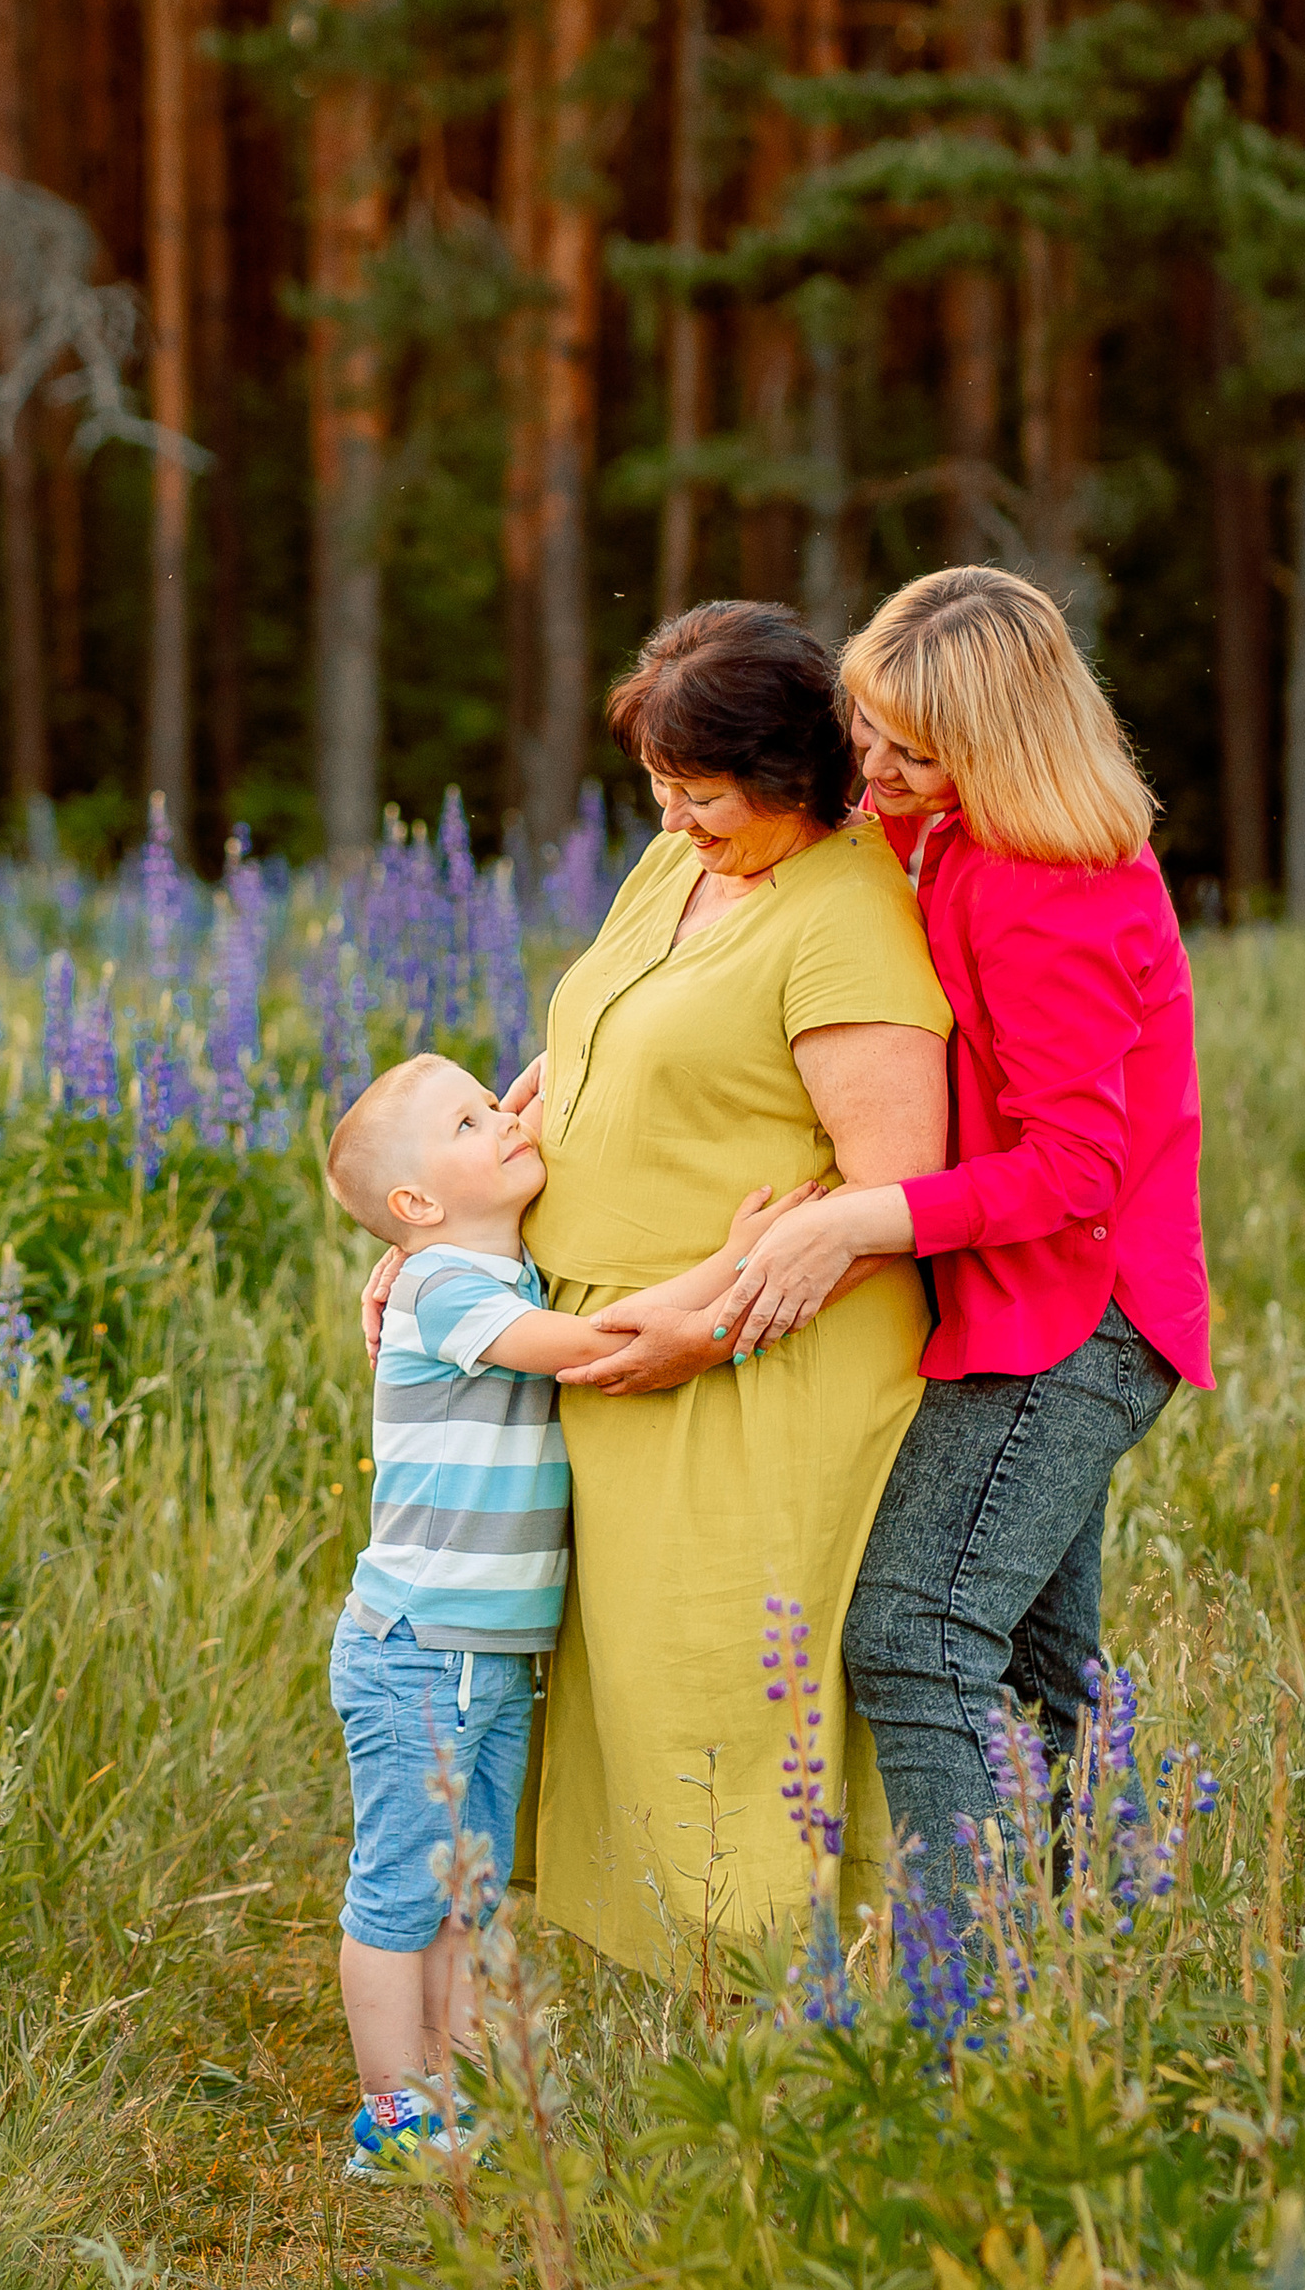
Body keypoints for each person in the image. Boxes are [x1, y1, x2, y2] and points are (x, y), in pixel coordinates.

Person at [370, 601, 951, 1980]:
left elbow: (894, 1194)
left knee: (730, 1693)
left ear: (798, 774)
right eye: (658, 790)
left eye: (703, 793)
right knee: (630, 1682)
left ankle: (793, 2005)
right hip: (617, 1349)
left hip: (760, 1369)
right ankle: (681, 1991)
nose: (675, 817)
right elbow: (594, 1047)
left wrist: (704, 1320)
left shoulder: (848, 918)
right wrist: (437, 1245)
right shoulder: (680, 864)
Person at [703, 567, 1211, 1910]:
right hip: (1012, 1292)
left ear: (997, 748)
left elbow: (1076, 1172)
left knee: (917, 1639)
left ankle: (964, 2041)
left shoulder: (1053, 888)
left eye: (909, 750)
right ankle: (1093, 1985)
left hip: (1079, 1310)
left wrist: (869, 1217)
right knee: (1051, 1678)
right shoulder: (940, 822)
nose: (868, 767)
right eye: (864, 727)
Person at [323, 1052, 809, 2172]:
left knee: (466, 1891)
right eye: (469, 1119)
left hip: (480, 1655)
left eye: (498, 1101)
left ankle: (450, 2094)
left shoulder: (495, 1267)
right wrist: (733, 1265)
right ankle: (391, 2115)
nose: (503, 1118)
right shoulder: (443, 1284)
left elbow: (545, 1096)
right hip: (418, 1649)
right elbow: (592, 1352)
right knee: (402, 1889)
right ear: (414, 1206)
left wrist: (534, 1095)